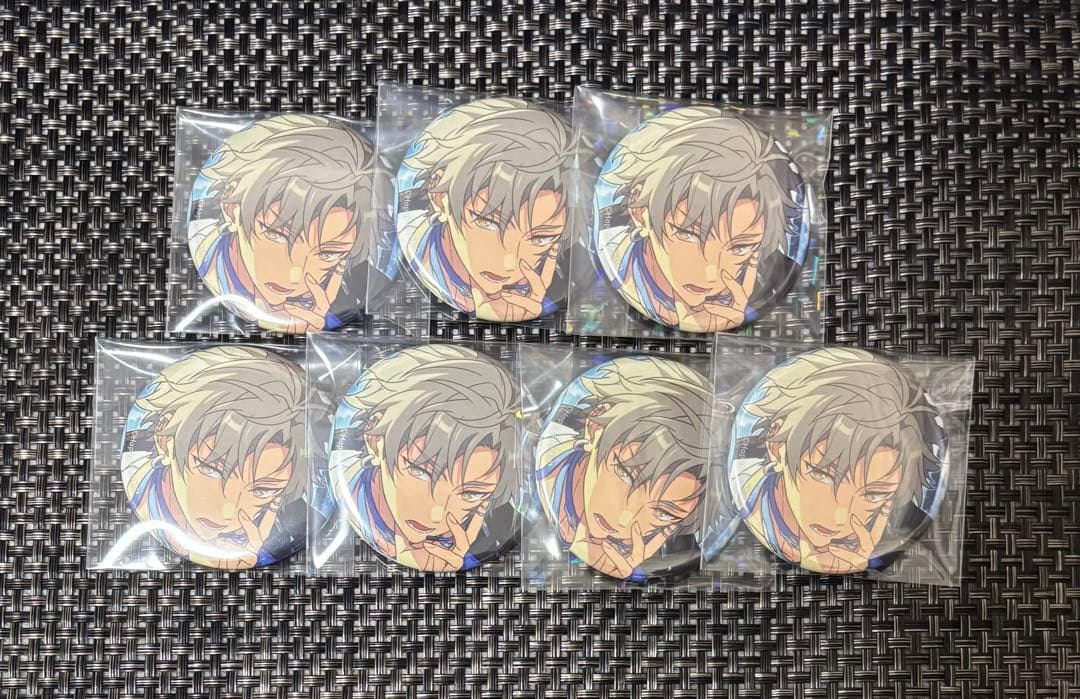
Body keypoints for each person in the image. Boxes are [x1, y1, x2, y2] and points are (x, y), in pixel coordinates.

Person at [594, 106, 805, 332]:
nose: (709, 275)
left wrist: (734, 324)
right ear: (639, 213)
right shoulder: (609, 258)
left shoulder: (771, 278)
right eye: (688, 234)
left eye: (740, 247)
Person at [732, 348, 940, 574]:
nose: (837, 517)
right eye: (821, 475)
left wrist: (874, 560)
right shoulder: (733, 506)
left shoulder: (905, 526)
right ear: (776, 446)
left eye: (873, 494)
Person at [188, 114, 385, 332]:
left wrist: (325, 322)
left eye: (328, 253)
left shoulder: (357, 287)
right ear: (231, 209)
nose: (293, 276)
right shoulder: (207, 258)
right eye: (277, 235)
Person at [330, 345, 519, 571]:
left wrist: (461, 559)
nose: (435, 515)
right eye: (419, 471)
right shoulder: (342, 486)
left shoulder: (499, 525)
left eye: (470, 494)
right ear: (374, 440)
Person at [122, 346, 306, 569]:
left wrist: (257, 552)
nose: (226, 512)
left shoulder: (288, 526)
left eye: (262, 490)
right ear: (164, 440)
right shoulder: (139, 486)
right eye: (211, 469)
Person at [397, 99, 572, 322]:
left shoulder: (562, 280)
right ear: (440, 198)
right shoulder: (411, 243)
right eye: (487, 222)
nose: (508, 264)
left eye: (540, 238)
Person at [536, 357, 709, 580]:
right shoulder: (541, 478)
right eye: (624, 474)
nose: (623, 520)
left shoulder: (688, 539)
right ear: (594, 429)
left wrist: (637, 570)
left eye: (662, 512)